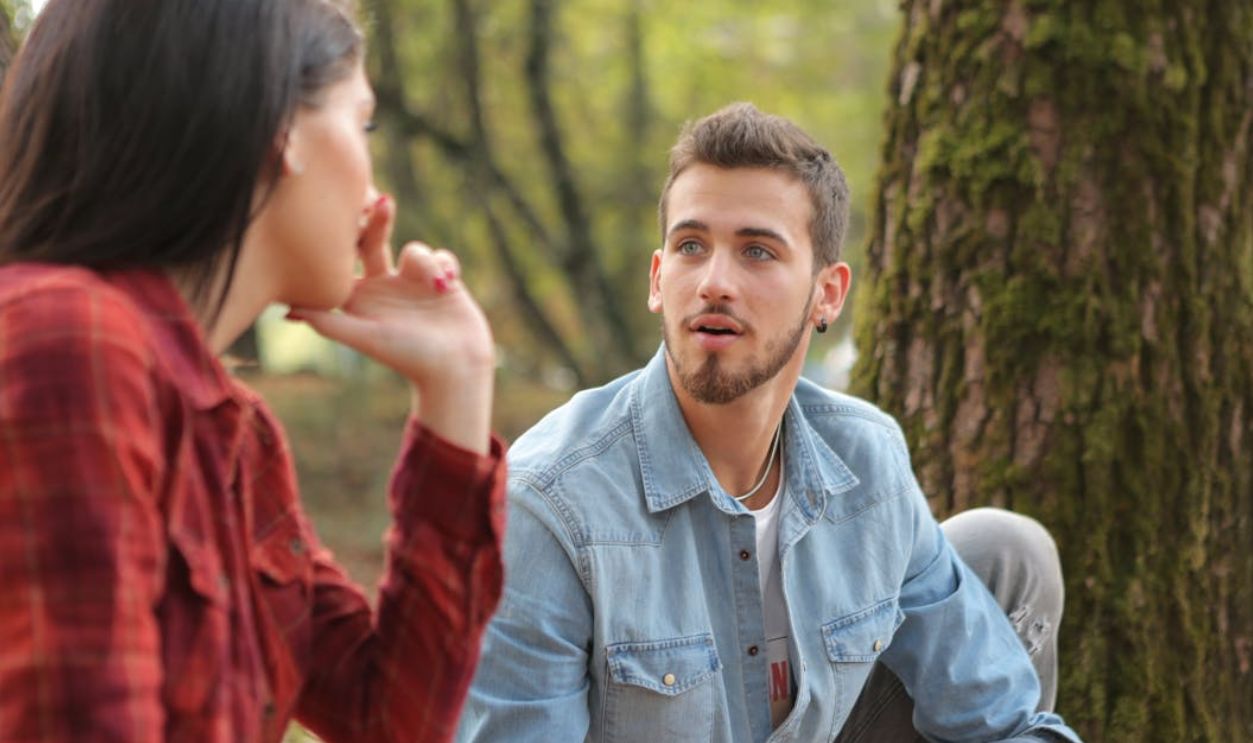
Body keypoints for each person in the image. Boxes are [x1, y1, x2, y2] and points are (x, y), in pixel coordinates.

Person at [456, 103, 1081, 742]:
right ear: (657, 277)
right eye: (691, 246)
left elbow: (1007, 722)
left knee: (1005, 550)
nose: (714, 283)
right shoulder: (548, 504)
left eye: (757, 251)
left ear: (827, 294)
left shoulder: (866, 458)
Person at [0, 1, 503, 741]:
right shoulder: (69, 341)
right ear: (281, 128)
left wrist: (457, 380)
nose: (377, 197)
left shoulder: (235, 436)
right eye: (361, 123)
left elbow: (388, 718)